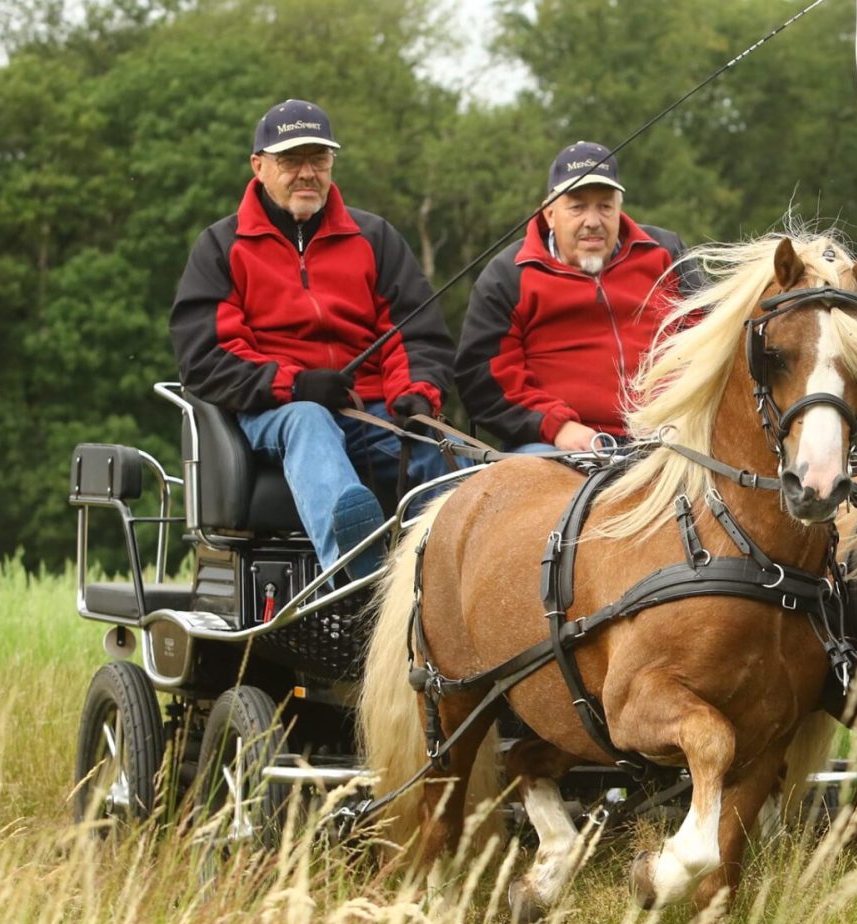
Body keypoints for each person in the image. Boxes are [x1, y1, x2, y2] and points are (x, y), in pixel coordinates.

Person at [170, 99, 454, 579]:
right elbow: (206, 356)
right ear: (259, 166)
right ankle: (355, 572)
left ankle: (449, 576)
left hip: (370, 410)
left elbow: (415, 333)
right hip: (273, 413)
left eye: (318, 160)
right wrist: (295, 386)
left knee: (429, 442)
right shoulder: (222, 247)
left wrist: (415, 396)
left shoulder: (375, 238)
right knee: (308, 421)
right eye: (291, 161)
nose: (307, 174)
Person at [455, 141, 705, 453]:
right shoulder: (508, 275)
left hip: (674, 438)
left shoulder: (666, 252)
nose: (592, 221)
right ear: (549, 213)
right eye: (577, 207)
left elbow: (710, 340)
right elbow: (483, 379)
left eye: (604, 206)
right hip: (557, 447)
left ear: (618, 209)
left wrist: (687, 410)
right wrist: (556, 426)